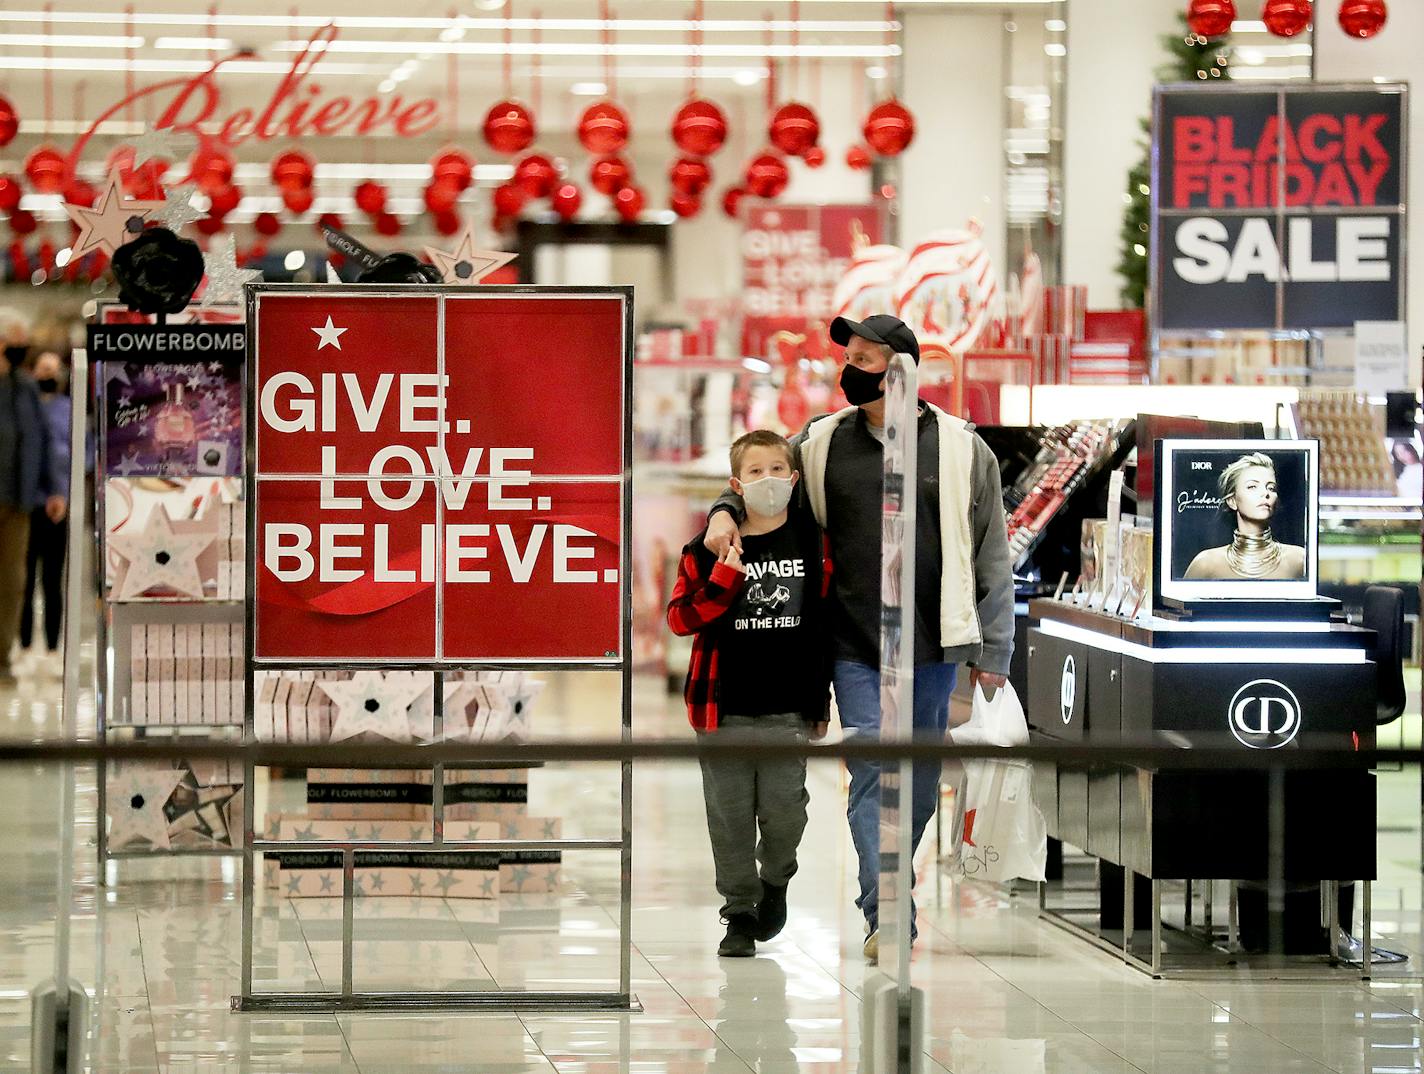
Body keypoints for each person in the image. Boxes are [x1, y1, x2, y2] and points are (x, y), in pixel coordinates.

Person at [703, 315, 1015, 962]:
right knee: (874, 766)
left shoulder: (960, 448)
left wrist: (995, 647)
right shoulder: (820, 444)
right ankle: (888, 912)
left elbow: (991, 553)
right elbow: (757, 476)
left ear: (902, 368)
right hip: (852, 644)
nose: (853, 367)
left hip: (934, 645)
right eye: (850, 355)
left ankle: (890, 893)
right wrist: (722, 511)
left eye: (867, 357)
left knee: (920, 781)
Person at [668, 429, 831, 959]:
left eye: (777, 469)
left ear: (794, 478)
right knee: (730, 817)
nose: (768, 480)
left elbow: (825, 625)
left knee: (787, 814)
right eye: (755, 472)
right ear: (737, 485)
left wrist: (820, 701)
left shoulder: (814, 542)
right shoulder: (707, 548)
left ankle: (776, 878)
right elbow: (679, 618)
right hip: (723, 710)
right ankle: (738, 912)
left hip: (788, 709)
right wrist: (722, 581)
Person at [0, 344, 65, 684]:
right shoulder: (19, 391)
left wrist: (57, 487)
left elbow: (49, 442)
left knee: (33, 580)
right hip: (20, 499)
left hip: (36, 502)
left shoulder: (33, 392)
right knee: (16, 578)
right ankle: (15, 648)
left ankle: (30, 652)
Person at [1183, 451, 1305, 581]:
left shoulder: (1299, 559)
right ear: (1232, 501)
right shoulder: (1206, 563)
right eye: (1252, 486)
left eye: (1271, 488)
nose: (1265, 493)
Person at [20, 352, 71, 655]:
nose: (46, 375)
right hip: (27, 504)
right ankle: (23, 643)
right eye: (42, 369)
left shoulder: (69, 410)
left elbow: (83, 452)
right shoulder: (25, 409)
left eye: (51, 370)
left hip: (58, 506)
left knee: (52, 580)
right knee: (23, 580)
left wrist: (63, 491)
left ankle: (53, 646)